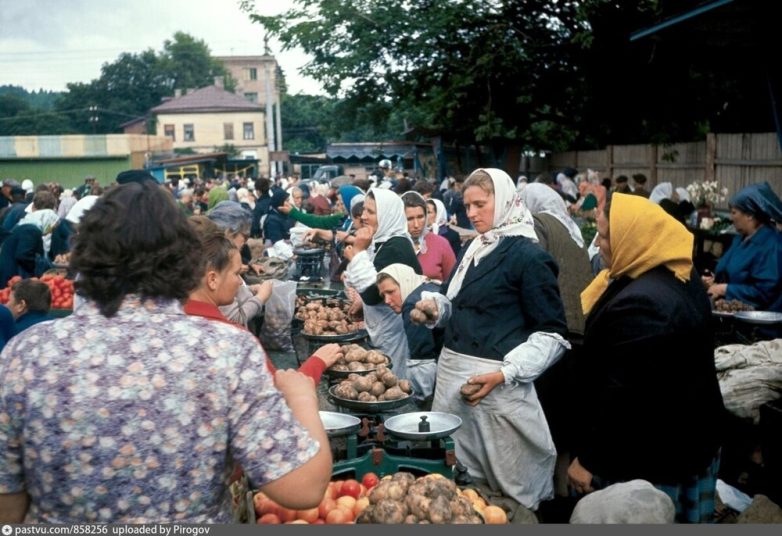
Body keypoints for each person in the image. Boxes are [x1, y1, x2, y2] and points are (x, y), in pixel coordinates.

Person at [0, 180, 331, 523]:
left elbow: (7, 507)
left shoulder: (26, 354)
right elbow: (303, 488)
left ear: (86, 254)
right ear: (182, 259)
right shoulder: (226, 351)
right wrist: (302, 396)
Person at [412, 168, 569, 511]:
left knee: (507, 489)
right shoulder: (475, 249)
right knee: (461, 487)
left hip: (496, 391)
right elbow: (458, 302)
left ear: (505, 201)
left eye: (480, 204)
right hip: (455, 384)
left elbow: (553, 333)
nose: (471, 214)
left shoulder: (528, 257)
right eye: (467, 206)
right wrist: (434, 309)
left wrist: (504, 374)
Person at [569, 193, 724, 523]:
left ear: (632, 236)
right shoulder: (674, 273)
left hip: (655, 453)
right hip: (684, 441)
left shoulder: (644, 304)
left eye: (606, 234)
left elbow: (622, 392)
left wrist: (588, 459)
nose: (600, 242)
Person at [184, 217, 341, 384]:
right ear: (212, 279)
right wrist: (318, 362)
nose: (239, 281)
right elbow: (280, 393)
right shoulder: (236, 341)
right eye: (236, 274)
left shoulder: (164, 325)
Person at [343, 189, 422, 379]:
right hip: (384, 331)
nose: (363, 216)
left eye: (371, 212)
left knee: (391, 380)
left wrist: (358, 253)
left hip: (394, 335)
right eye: (364, 210)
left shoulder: (397, 247)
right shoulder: (383, 242)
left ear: (387, 214)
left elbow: (373, 293)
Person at [702, 182, 782, 313]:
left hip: (760, 323)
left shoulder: (771, 244)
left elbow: (765, 292)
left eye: (734, 212)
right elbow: (729, 270)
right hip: (732, 310)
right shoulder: (739, 239)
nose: (731, 217)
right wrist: (713, 279)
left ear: (750, 215)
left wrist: (724, 289)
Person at [376, 263, 443, 408]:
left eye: (391, 292)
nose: (387, 301)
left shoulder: (413, 304)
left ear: (404, 282)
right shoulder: (429, 288)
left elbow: (422, 357)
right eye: (383, 296)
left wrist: (419, 401)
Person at [401, 191, 456, 281]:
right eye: (409, 219)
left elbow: (452, 283)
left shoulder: (441, 244)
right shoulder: (394, 247)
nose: (416, 225)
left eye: (420, 217)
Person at [0, 209, 59, 287]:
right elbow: (23, 255)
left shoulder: (24, 228)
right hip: (12, 275)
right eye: (51, 227)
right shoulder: (31, 230)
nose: (50, 231)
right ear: (47, 221)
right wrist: (40, 266)